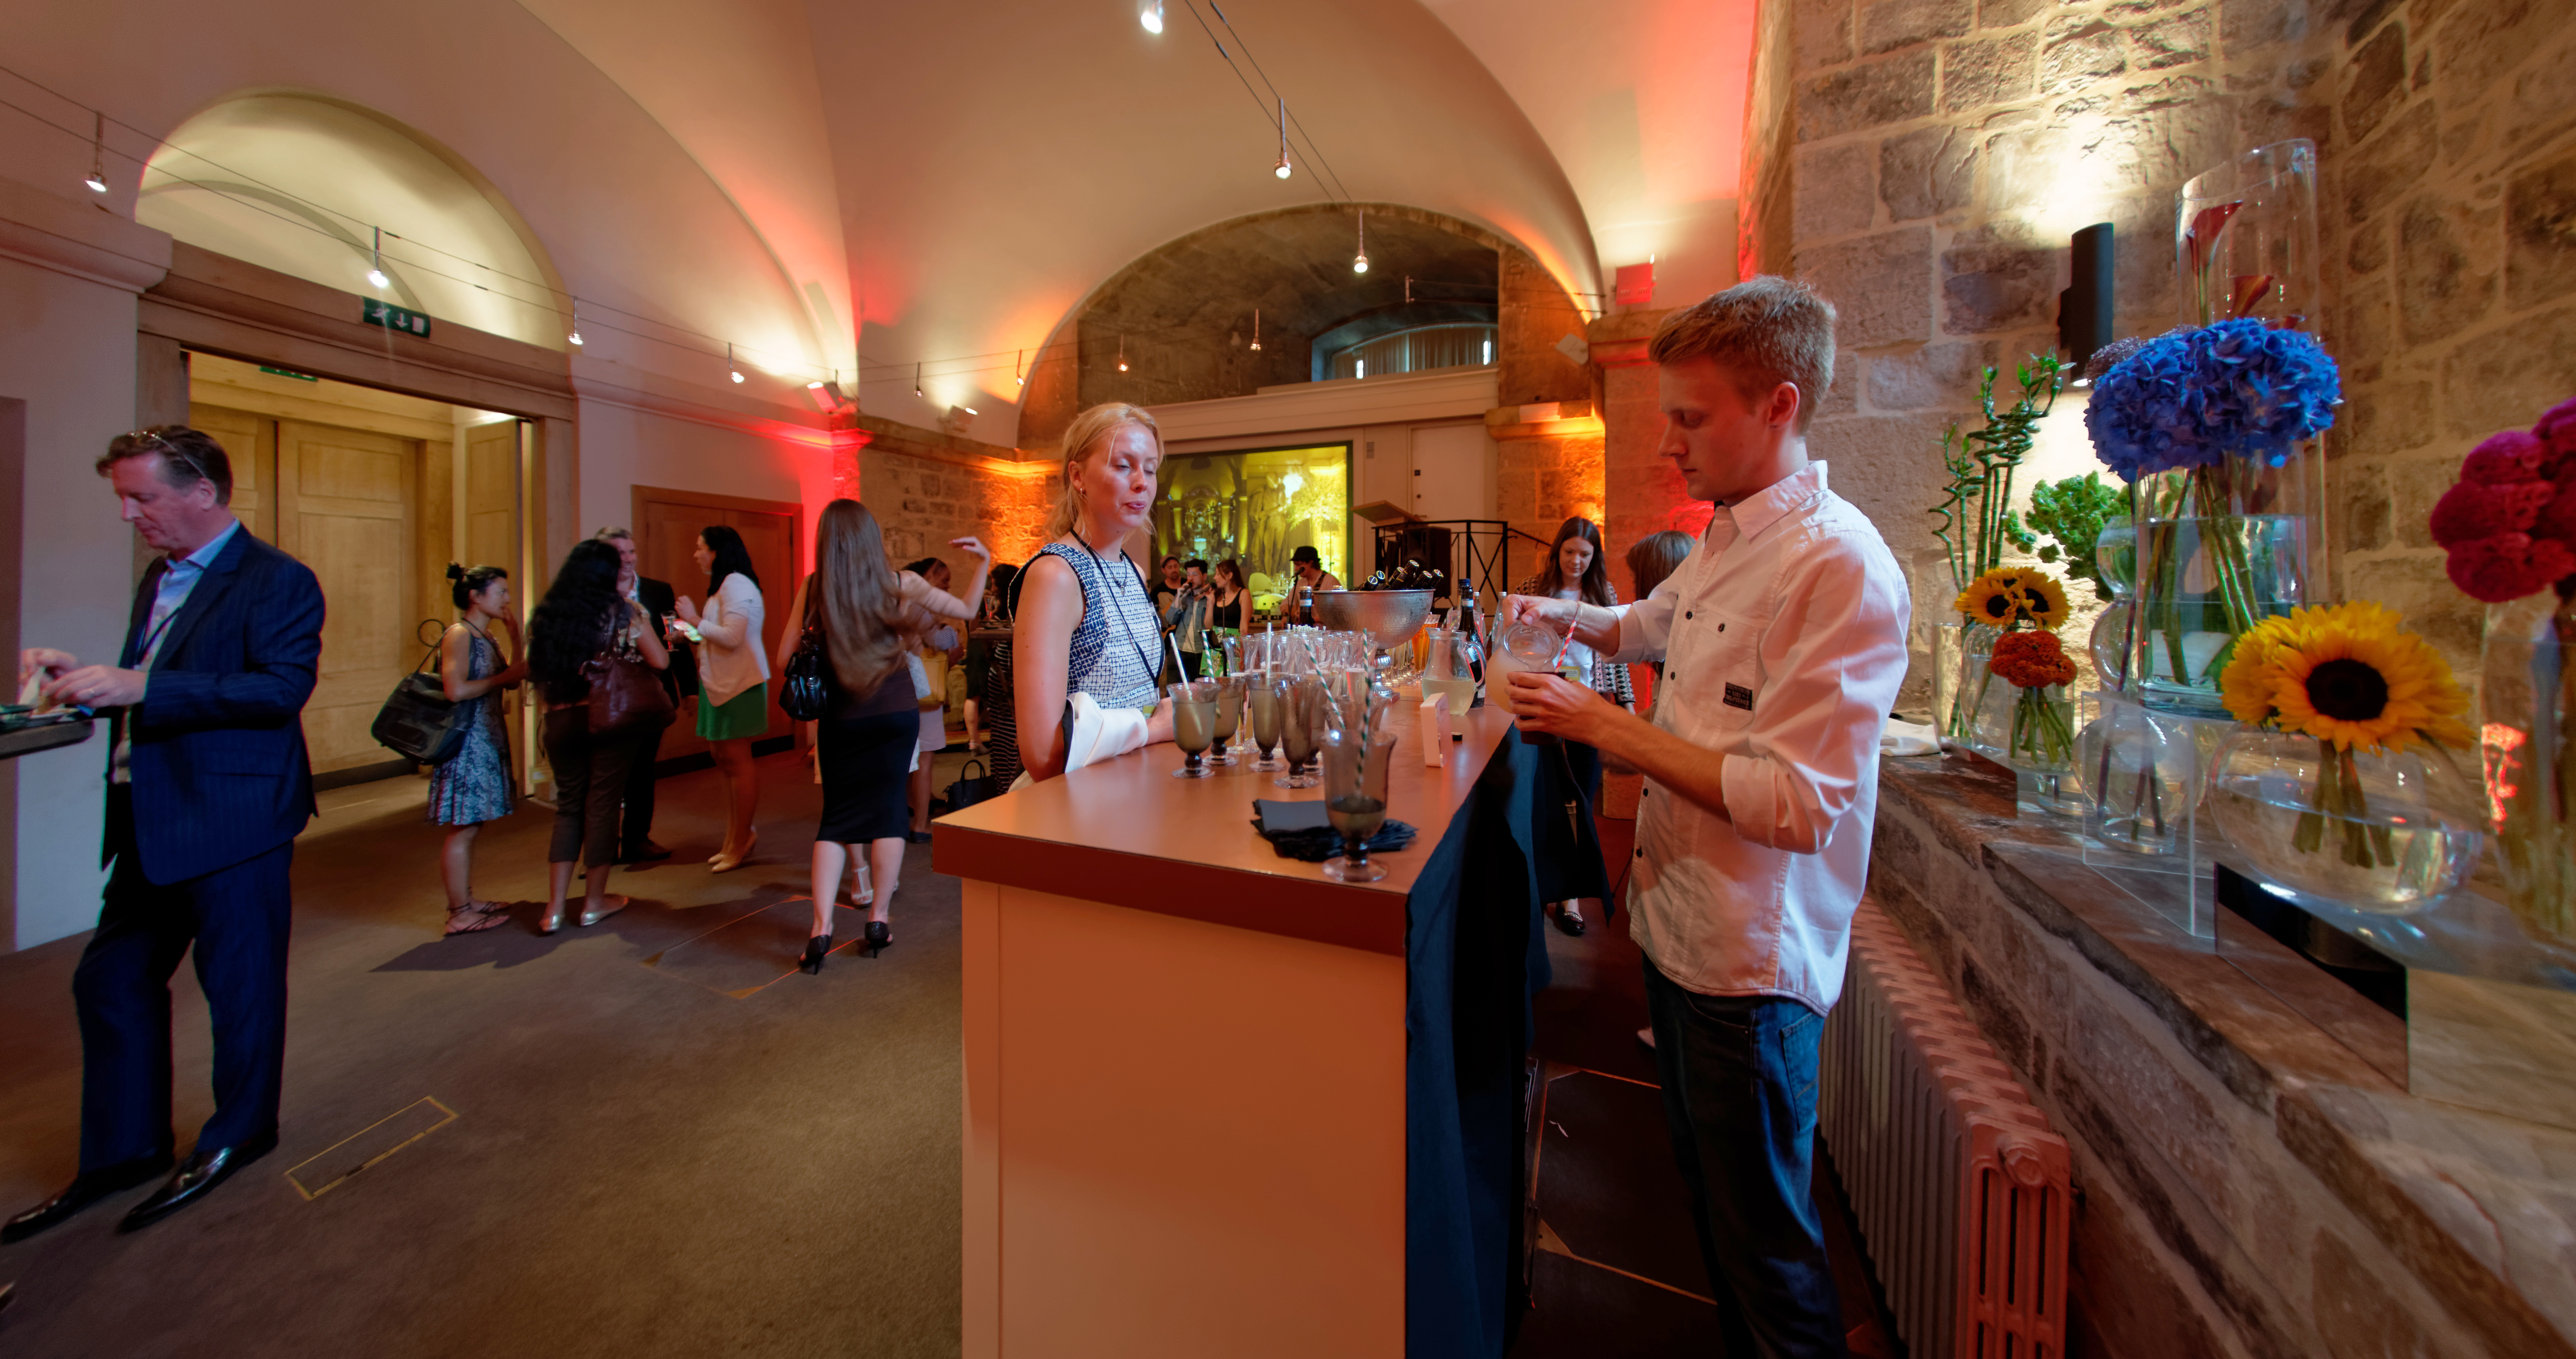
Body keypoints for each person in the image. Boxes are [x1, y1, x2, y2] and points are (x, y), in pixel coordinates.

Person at [1505, 277, 1908, 1356]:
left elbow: (1798, 802)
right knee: (1712, 1209)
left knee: (1769, 1251)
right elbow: (1646, 624)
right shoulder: (1728, 534)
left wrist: (1601, 727)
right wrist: (1565, 616)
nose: (1672, 443)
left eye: (1692, 417)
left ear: (1777, 406)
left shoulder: (1841, 564)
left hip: (1749, 967)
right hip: (1680, 937)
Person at [7, 425, 323, 1240]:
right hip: (154, 816)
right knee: (109, 979)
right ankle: (127, 1147)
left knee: (241, 990)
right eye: (123, 497)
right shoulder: (159, 579)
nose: (128, 514)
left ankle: (241, 1132)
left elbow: (279, 689)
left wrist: (140, 683)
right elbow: (146, 686)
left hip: (236, 818)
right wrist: (75, 686)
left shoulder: (278, 579)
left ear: (202, 492)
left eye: (141, 496)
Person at [778, 501, 988, 971]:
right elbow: (968, 611)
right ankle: (877, 920)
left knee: (835, 821)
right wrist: (983, 562)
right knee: (891, 813)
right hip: (895, 711)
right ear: (873, 539)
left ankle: (820, 931)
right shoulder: (901, 584)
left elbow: (782, 659)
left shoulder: (813, 589)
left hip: (842, 716)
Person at [990, 402, 1176, 786]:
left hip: (1134, 787)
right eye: (1124, 466)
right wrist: (1154, 727)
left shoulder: (1134, 571)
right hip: (1077, 802)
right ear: (1078, 476)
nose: (1142, 481)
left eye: (1151, 468)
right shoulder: (1056, 575)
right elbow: (1042, 755)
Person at [527, 539, 672, 932]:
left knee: (569, 806)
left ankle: (553, 909)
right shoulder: (622, 611)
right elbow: (659, 660)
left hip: (558, 720)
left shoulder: (548, 614)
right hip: (606, 716)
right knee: (603, 805)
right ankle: (593, 902)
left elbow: (533, 669)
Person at [1514, 516, 1635, 937]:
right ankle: (1540, 886)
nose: (1577, 561)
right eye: (1570, 552)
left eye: (1585, 554)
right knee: (1543, 797)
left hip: (1589, 703)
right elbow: (1514, 642)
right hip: (1545, 700)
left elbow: (1615, 656)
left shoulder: (1603, 593)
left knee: (1581, 799)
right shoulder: (1534, 589)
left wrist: (1629, 704)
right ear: (1557, 551)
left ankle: (1572, 897)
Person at [429, 564, 527, 937]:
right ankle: (459, 911)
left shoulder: (486, 635)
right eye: (500, 591)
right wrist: (501, 678)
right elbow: (455, 690)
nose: (506, 598)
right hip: (468, 742)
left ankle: (467, 901)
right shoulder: (459, 634)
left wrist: (515, 634)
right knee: (464, 827)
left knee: (472, 824)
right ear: (476, 596)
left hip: (486, 737)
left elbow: (515, 680)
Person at [672, 526, 768, 871]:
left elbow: (732, 637)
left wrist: (693, 618)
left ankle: (742, 839)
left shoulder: (738, 584)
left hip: (739, 684)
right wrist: (687, 632)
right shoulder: (724, 587)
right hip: (720, 682)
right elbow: (713, 637)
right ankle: (734, 837)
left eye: (700, 548)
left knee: (737, 761)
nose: (696, 554)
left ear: (717, 551)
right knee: (723, 759)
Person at [596, 527, 691, 865]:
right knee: (607, 774)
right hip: (604, 697)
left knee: (642, 769)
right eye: (619, 553)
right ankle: (601, 848)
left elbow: (673, 640)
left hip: (650, 694)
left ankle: (637, 839)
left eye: (631, 552)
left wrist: (689, 687)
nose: (627, 559)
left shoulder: (657, 590)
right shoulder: (592, 593)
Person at [903, 556, 967, 839]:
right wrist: (952, 633)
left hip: (902, 688)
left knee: (909, 753)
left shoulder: (901, 601)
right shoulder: (919, 606)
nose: (947, 587)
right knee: (925, 754)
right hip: (922, 688)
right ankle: (920, 823)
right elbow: (939, 641)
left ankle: (914, 801)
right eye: (944, 581)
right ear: (926, 577)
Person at [961, 562, 1018, 754]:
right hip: (997, 666)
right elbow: (974, 627)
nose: (992, 588)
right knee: (998, 721)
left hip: (1010, 670)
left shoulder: (1018, 605)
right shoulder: (994, 605)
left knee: (1009, 725)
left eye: (995, 584)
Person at [1161, 558, 1214, 678]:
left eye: (1195, 575)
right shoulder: (1185, 596)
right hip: (1179, 649)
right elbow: (1169, 621)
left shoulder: (1211, 598)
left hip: (1201, 652)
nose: (1190, 578)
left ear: (1204, 576)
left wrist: (1211, 603)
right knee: (1174, 693)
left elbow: (1209, 627)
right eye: (1189, 575)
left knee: (1199, 693)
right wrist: (1178, 597)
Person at [1280, 544, 1341, 623]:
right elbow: (1286, 603)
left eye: (1299, 565)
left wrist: (1312, 620)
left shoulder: (1330, 581)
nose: (1296, 569)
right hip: (1305, 632)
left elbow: (1337, 612)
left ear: (1311, 563)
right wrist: (1285, 617)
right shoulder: (1300, 583)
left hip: (1324, 632)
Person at [1209, 557, 1247, 638]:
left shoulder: (1243, 594)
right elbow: (1208, 625)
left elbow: (1244, 626)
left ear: (1230, 575)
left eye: (1218, 574)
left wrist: (1244, 647)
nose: (1215, 578)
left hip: (1233, 641)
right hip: (1215, 642)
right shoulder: (1217, 594)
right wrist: (1210, 602)